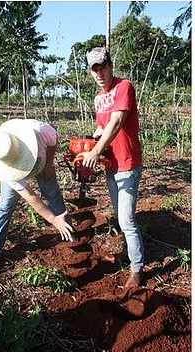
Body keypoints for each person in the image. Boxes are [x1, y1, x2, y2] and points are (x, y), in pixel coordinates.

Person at [81, 47, 144, 288]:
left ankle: (137, 268)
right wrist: (88, 144)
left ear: (111, 66)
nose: (99, 73)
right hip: (111, 164)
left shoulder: (123, 87)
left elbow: (117, 121)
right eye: (94, 69)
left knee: (127, 220)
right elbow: (101, 127)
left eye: (102, 67)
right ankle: (129, 253)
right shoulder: (98, 97)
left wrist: (95, 152)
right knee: (119, 216)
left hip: (127, 163)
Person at [0, 119, 74, 273]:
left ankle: (69, 232)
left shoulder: (42, 131)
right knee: (5, 207)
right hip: (14, 173)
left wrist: (48, 165)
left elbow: (53, 141)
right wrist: (53, 220)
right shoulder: (6, 162)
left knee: (53, 195)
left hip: (42, 165)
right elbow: (31, 197)